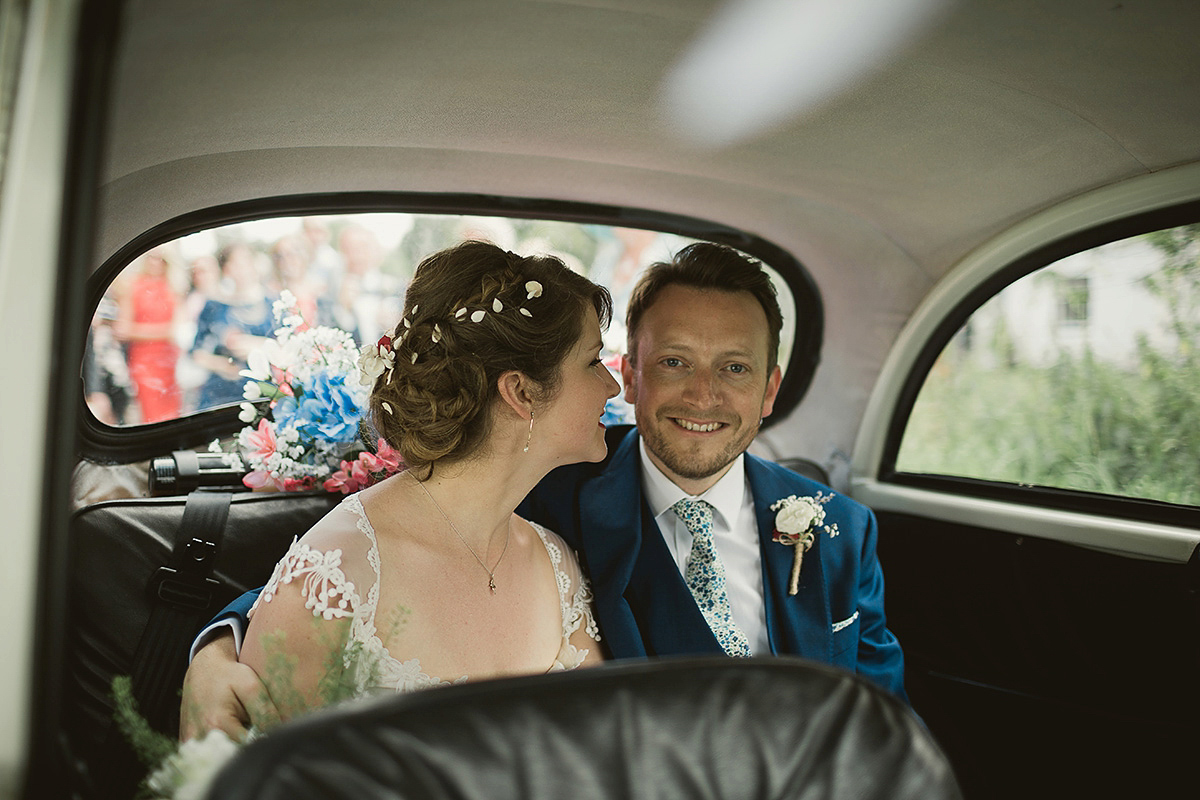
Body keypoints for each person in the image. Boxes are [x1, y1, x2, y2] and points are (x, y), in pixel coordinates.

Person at [181, 242, 906, 739]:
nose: (705, 393)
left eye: (737, 369)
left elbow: (882, 724)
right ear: (633, 371)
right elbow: (365, 572)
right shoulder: (553, 488)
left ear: (772, 388)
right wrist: (217, 650)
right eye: (676, 361)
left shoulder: (842, 531)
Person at [219, 242, 614, 725]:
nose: (612, 387)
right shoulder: (336, 576)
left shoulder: (557, 566)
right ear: (521, 392)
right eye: (594, 362)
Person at [190, 242, 275, 409]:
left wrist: (259, 345)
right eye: (235, 263)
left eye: (246, 261)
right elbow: (196, 353)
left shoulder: (274, 305)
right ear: (226, 269)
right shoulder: (214, 306)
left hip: (264, 393)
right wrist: (221, 365)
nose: (242, 268)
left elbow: (288, 348)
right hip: (220, 394)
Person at [113, 245, 183, 423]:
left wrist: (147, 331)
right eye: (151, 257)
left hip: (169, 358)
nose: (155, 262)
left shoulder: (172, 288)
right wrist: (164, 331)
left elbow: (177, 328)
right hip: (144, 358)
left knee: (172, 409)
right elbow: (123, 328)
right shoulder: (133, 286)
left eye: (160, 258)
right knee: (150, 409)